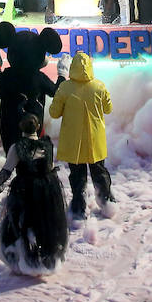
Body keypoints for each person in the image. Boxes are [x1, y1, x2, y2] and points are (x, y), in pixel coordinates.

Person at [0, 113, 68, 274]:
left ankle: (26, 261)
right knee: (45, 225)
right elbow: (50, 166)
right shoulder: (47, 145)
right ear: (38, 127)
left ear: (20, 127)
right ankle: (45, 260)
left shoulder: (17, 147)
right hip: (48, 190)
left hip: (25, 190)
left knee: (22, 225)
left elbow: (6, 172)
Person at [49, 51, 114, 220]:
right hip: (95, 141)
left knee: (77, 176)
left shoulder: (65, 87)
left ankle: (79, 208)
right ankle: (107, 204)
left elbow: (54, 113)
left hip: (73, 142)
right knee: (100, 172)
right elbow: (108, 109)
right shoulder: (99, 86)